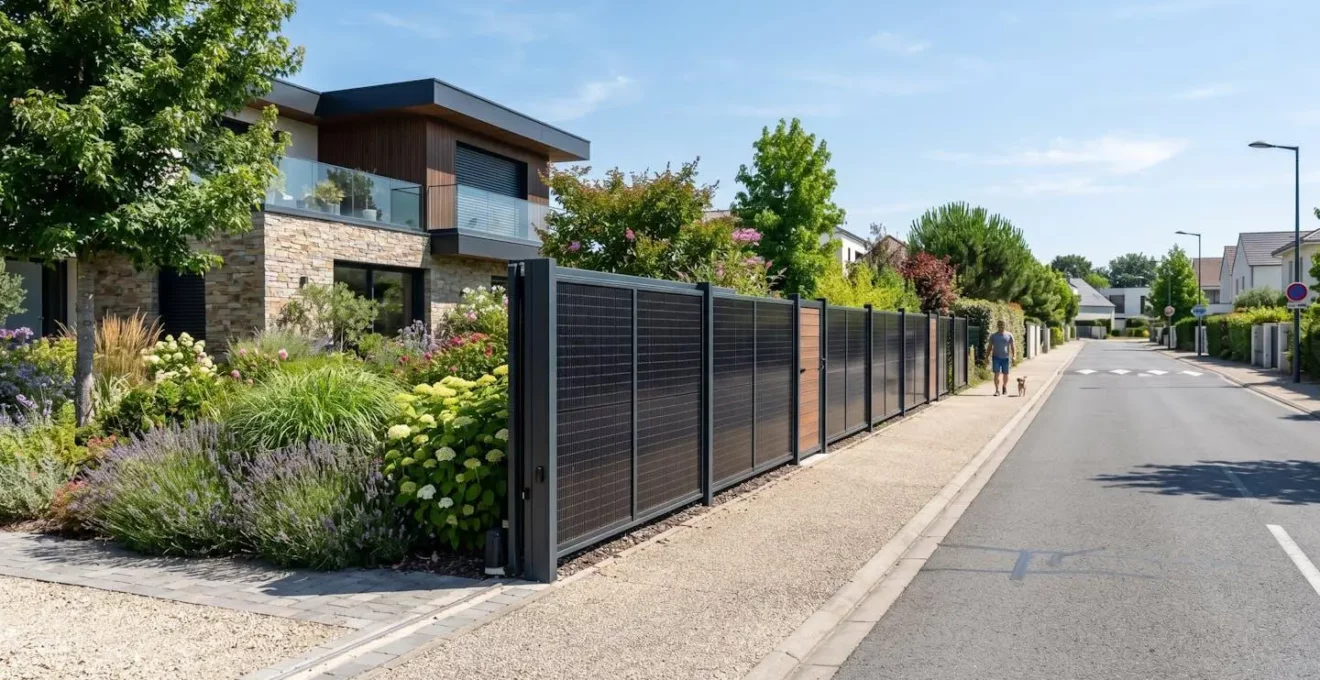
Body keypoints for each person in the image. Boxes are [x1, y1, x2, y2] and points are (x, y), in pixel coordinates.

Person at [989, 320, 1015, 396]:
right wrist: (987, 357)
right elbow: (989, 347)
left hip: (1006, 358)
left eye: (1002, 324)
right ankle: (997, 390)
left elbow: (1013, 347)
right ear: (997, 325)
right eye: (999, 324)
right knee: (996, 374)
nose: (1001, 326)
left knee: (1005, 374)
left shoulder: (1009, 335)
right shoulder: (993, 336)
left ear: (1004, 325)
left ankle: (1004, 386)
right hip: (996, 357)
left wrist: (1014, 356)